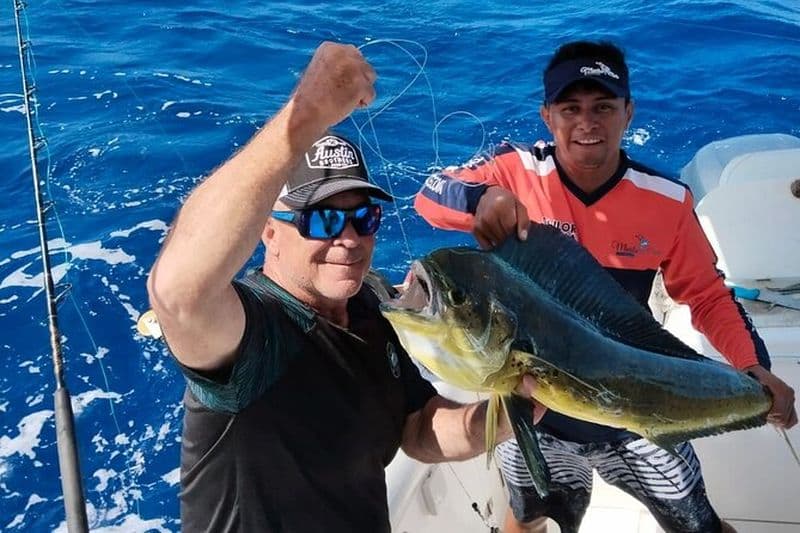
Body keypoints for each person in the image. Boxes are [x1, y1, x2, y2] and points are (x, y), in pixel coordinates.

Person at [146, 42, 543, 532]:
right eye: (322, 219)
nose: (349, 238)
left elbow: (416, 426)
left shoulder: (370, 307)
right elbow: (179, 294)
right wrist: (306, 113)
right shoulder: (252, 334)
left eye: (364, 216)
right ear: (269, 232)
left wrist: (506, 416)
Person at [414, 40, 797, 533]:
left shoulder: (667, 201)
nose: (586, 123)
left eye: (603, 107)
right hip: (533, 412)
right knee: (529, 517)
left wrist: (752, 368)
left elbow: (705, 295)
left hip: (637, 412)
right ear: (547, 116)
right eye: (570, 109)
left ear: (628, 112)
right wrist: (481, 196)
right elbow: (430, 194)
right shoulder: (513, 174)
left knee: (697, 522)